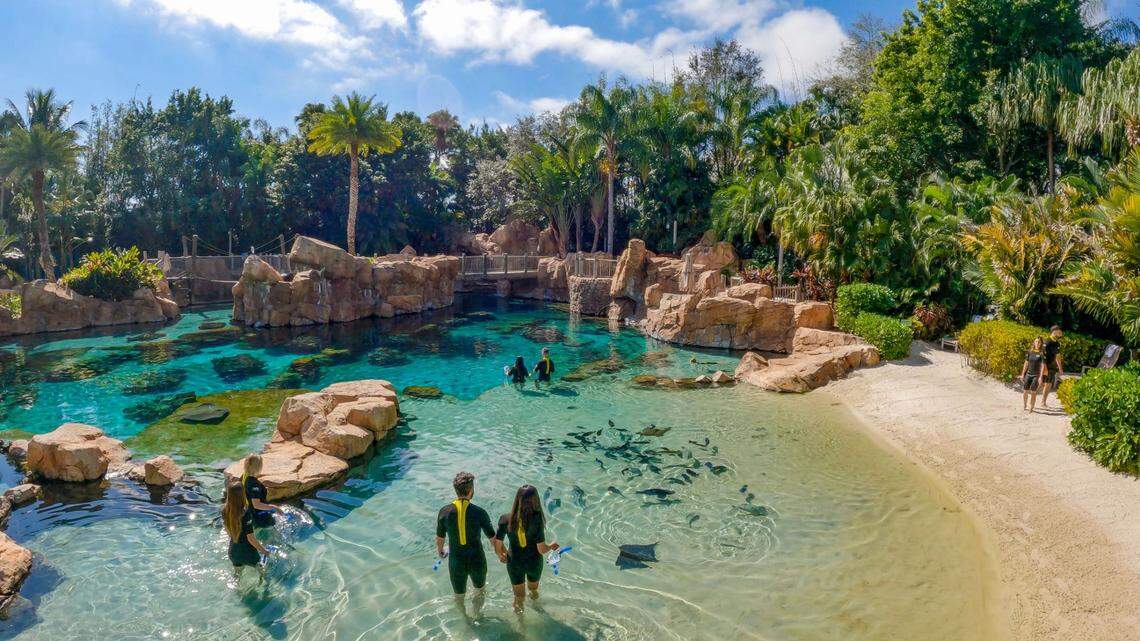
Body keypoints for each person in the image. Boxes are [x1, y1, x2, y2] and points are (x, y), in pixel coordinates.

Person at [436, 471, 496, 618]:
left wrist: (441, 552)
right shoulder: (480, 512)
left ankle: (464, 619)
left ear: (456, 490)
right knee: (480, 590)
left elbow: (440, 537)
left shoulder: (444, 512)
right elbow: (493, 539)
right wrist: (502, 553)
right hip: (477, 560)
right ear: (471, 490)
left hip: (456, 562)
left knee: (459, 595)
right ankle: (477, 614)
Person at [493, 485, 558, 613]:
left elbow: (498, 544)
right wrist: (551, 546)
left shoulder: (505, 519)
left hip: (514, 563)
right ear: (535, 501)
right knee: (533, 591)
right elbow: (541, 549)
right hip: (534, 563)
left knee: (518, 598)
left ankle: (520, 626)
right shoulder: (537, 519)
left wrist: (502, 555)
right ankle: (539, 613)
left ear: (517, 499)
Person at [223, 480, 270, 571]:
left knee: (237, 576)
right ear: (242, 495)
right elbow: (251, 538)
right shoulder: (245, 513)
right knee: (263, 573)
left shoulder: (225, 510)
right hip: (248, 553)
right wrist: (265, 551)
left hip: (233, 551)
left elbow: (228, 530)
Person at [242, 454, 284, 527]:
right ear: (258, 467)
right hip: (261, 517)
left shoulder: (245, 476)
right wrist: (274, 507)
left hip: (252, 513)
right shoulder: (254, 485)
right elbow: (257, 505)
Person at [1019, 337, 1047, 413]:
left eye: (1039, 342)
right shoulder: (1030, 351)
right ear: (1034, 342)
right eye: (1036, 342)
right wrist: (1022, 374)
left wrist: (1041, 377)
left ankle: (1031, 407)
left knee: (1033, 392)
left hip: (1036, 375)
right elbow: (1026, 363)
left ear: (1041, 344)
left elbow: (1043, 365)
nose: (1037, 343)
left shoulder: (1042, 353)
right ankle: (1024, 405)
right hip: (1028, 374)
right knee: (1025, 391)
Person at [1039, 326, 1064, 408]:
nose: (1061, 332)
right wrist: (1044, 368)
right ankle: (1033, 399)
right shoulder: (1047, 342)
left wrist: (1060, 368)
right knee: (1040, 383)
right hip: (1045, 366)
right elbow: (1042, 356)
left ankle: (1043, 402)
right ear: (1055, 331)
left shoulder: (1057, 343)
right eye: (1060, 331)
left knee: (1048, 384)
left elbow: (1057, 356)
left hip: (1052, 367)